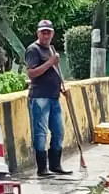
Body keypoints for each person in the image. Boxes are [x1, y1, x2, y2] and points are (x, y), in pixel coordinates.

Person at [24, 19, 73, 180]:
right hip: (40, 97)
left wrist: (61, 88)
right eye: (43, 32)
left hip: (54, 97)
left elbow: (54, 72)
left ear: (52, 34)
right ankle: (42, 169)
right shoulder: (33, 50)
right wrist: (50, 62)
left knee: (58, 132)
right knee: (41, 133)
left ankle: (55, 165)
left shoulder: (51, 49)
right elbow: (31, 73)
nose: (46, 35)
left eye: (48, 32)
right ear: (38, 33)